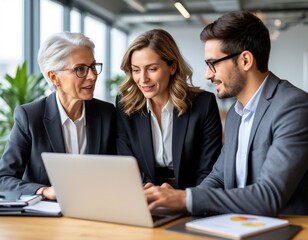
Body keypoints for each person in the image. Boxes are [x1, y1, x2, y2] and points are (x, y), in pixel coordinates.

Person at [144, 11, 308, 216]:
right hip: (238, 225)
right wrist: (176, 200)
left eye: (213, 63)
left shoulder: (293, 106)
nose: (207, 74)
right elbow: (219, 177)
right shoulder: (234, 114)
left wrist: (186, 199)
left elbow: (269, 195)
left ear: (245, 60)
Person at [0, 32, 117, 200]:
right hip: (47, 218)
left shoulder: (106, 114)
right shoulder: (30, 117)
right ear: (54, 77)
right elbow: (3, 179)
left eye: (92, 66)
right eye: (80, 69)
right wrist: (44, 190)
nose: (92, 76)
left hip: (96, 210)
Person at [116, 29, 222, 189]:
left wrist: (187, 200)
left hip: (190, 195)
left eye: (152, 69)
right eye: (136, 70)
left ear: (172, 67)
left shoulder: (203, 104)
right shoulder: (125, 106)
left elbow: (208, 169)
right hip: (143, 194)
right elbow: (126, 165)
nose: (143, 79)